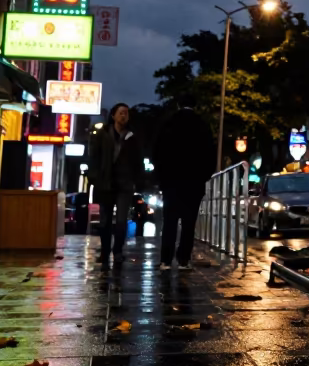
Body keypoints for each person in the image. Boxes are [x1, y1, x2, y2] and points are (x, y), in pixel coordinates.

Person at [152, 98, 216, 270]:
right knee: (189, 223)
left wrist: (161, 178)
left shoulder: (168, 123)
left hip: (171, 181)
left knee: (170, 221)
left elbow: (157, 152)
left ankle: (165, 260)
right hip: (193, 182)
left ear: (178, 105)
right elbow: (210, 155)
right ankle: (183, 260)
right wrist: (203, 177)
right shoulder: (202, 125)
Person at [88, 103, 145, 266]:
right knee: (105, 220)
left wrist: (137, 180)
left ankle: (118, 250)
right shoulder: (102, 134)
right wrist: (94, 178)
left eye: (126, 113)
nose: (123, 116)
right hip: (105, 183)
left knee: (121, 220)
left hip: (125, 184)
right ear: (113, 115)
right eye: (120, 113)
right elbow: (93, 157)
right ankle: (105, 252)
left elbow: (137, 160)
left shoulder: (132, 136)